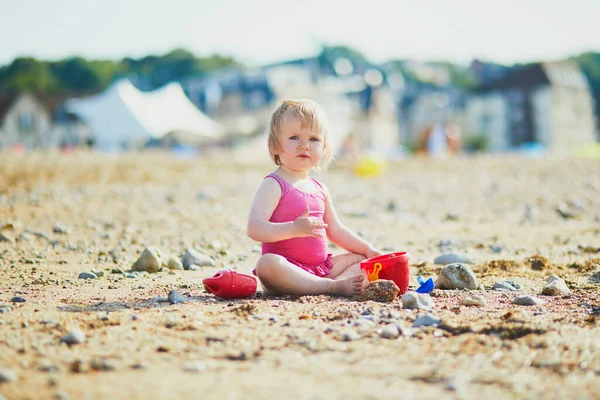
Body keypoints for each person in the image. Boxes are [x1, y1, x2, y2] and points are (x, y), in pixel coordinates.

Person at [247, 99, 383, 297]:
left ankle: (328, 284)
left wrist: (369, 249)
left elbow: (336, 230)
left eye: (313, 139)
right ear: (274, 146)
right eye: (294, 137)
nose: (304, 146)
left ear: (324, 146)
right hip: (286, 271)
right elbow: (255, 228)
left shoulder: (320, 188)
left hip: (321, 268)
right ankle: (332, 287)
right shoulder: (274, 184)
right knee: (266, 264)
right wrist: (293, 229)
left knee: (361, 258)